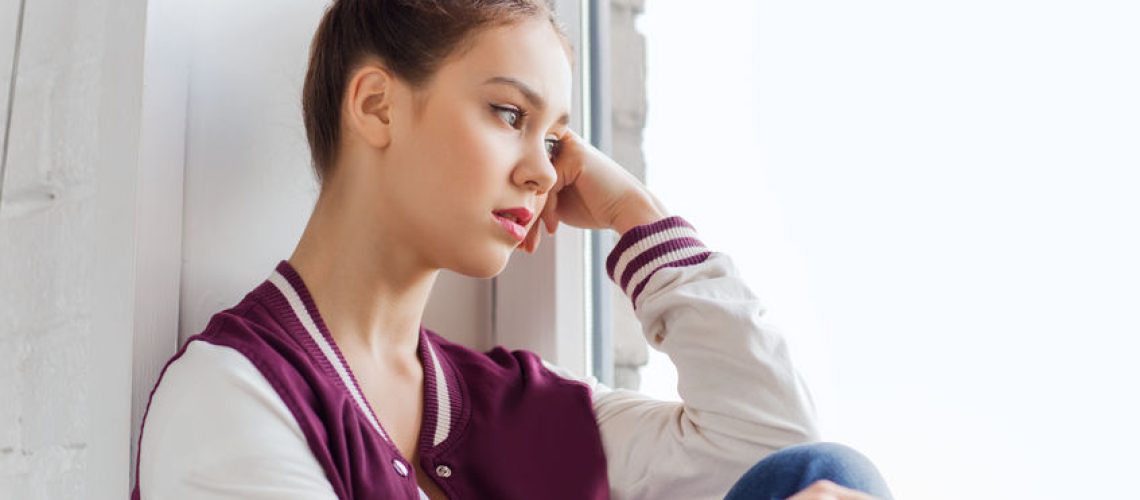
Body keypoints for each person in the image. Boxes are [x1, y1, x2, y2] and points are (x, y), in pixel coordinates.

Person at [131, 1, 894, 499]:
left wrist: (635, 213)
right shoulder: (232, 394)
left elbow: (775, 442)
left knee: (826, 474)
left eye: (556, 140)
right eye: (508, 114)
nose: (544, 171)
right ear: (377, 105)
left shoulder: (511, 407)